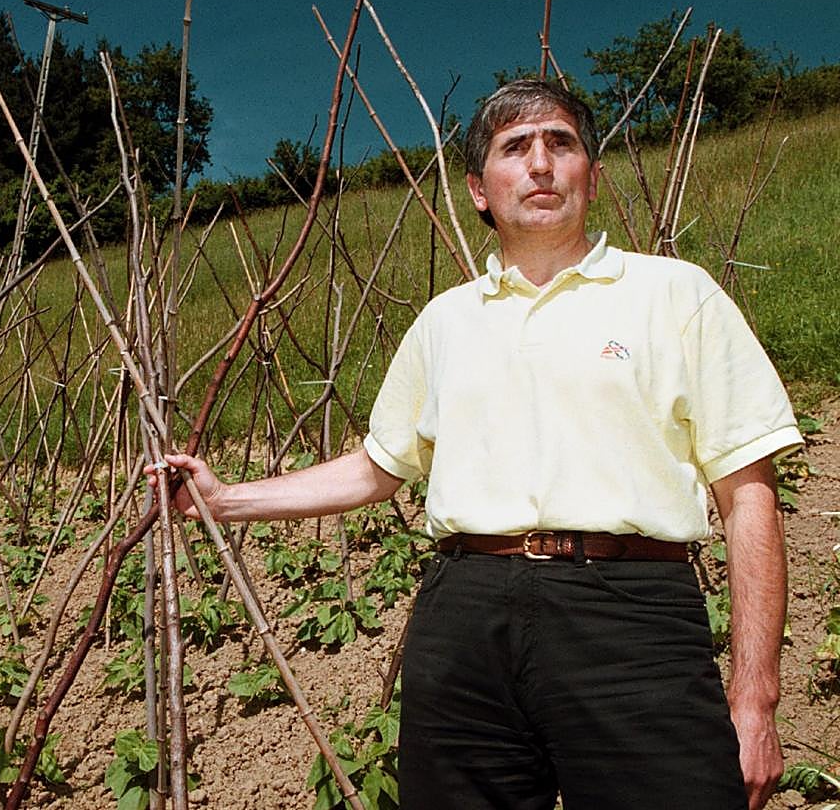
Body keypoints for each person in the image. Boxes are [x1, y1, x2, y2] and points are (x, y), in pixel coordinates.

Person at [146, 79, 801, 810]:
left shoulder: (677, 294)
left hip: (632, 615)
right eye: (514, 148)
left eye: (561, 143)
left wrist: (755, 702)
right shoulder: (444, 322)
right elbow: (375, 467)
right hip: (464, 615)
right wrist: (224, 499)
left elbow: (749, 498)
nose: (541, 163)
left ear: (594, 175)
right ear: (479, 191)